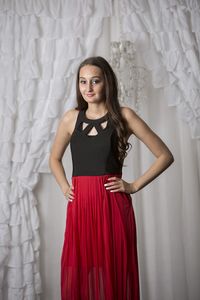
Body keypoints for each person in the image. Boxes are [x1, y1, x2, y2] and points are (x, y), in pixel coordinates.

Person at [49, 56, 174, 300]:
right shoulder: (70, 118)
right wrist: (65, 187)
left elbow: (164, 155)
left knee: (113, 271)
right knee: (81, 271)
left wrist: (134, 185)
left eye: (95, 81)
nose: (88, 88)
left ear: (107, 82)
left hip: (112, 207)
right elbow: (54, 159)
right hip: (81, 207)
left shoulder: (124, 116)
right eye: (83, 82)